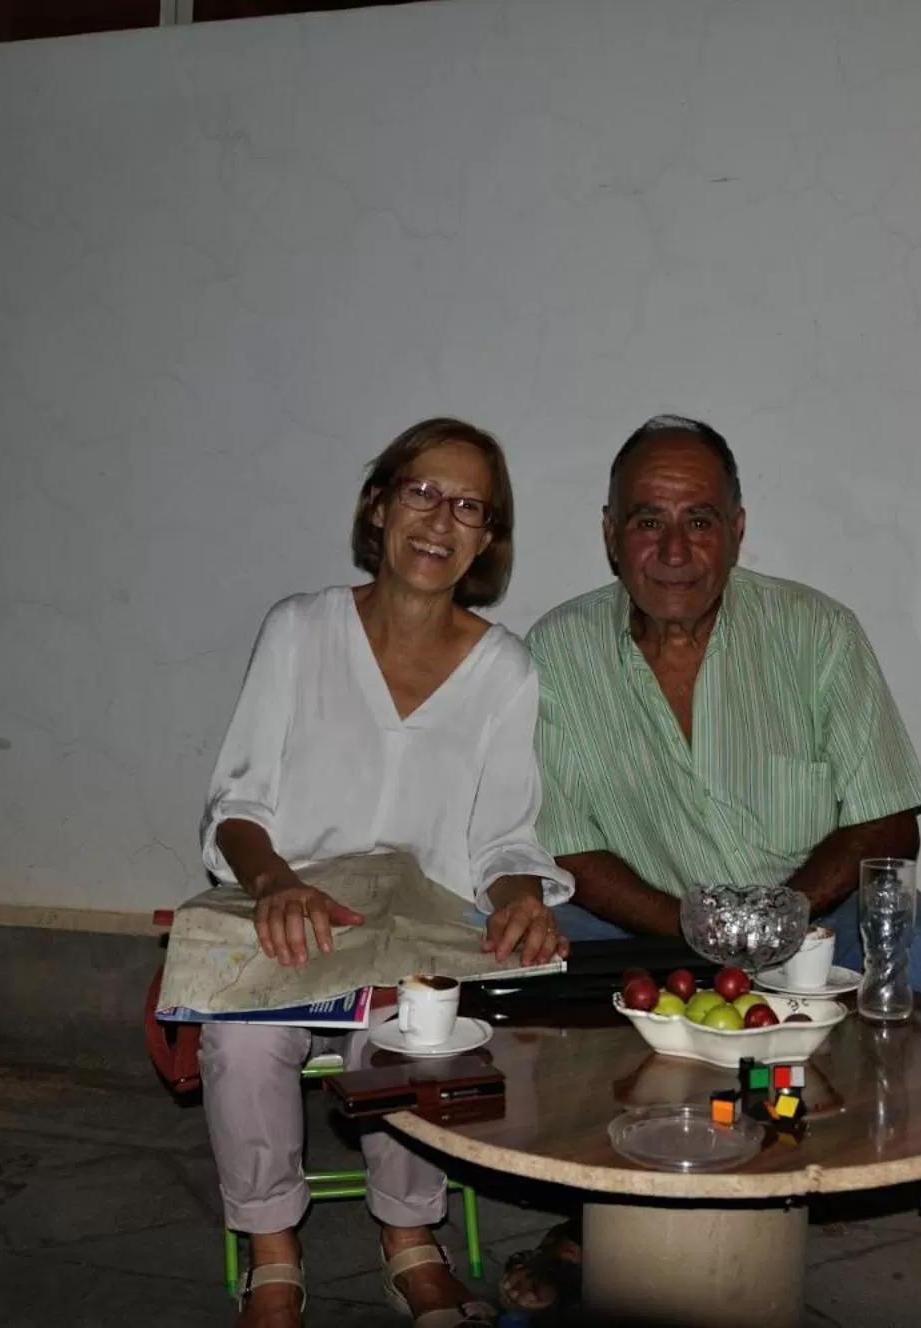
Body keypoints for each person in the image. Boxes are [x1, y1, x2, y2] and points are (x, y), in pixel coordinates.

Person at [502, 415, 921, 1328]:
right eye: (647, 521)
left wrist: (784, 914)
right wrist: (691, 928)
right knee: (527, 969)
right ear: (608, 531)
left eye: (700, 521)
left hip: (812, 909)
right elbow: (565, 848)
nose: (674, 549)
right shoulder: (554, 653)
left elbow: (888, 820)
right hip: (641, 911)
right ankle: (597, 1209)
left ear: (738, 529)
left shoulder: (817, 632)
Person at [197, 418, 572, 1328]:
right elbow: (236, 804)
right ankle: (273, 1256)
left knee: (425, 1034)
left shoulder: (504, 671)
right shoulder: (300, 630)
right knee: (241, 1041)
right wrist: (277, 883)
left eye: (469, 505)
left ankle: (411, 1236)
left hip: (419, 931)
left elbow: (502, 837)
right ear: (379, 505)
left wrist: (520, 896)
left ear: (487, 538)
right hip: (295, 910)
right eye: (420, 492)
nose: (440, 518)